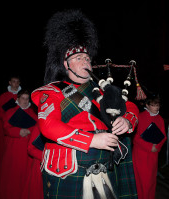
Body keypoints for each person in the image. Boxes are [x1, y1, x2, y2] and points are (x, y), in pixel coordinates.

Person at [31, 9, 139, 198]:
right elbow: (48, 126)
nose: (85, 62)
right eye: (78, 58)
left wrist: (127, 120)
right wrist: (91, 140)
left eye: (87, 58)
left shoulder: (102, 90)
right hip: (69, 168)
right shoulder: (52, 91)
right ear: (66, 64)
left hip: (103, 164)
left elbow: (130, 107)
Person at [0, 89, 39, 199]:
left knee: (24, 176)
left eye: (27, 98)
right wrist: (18, 132)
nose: (24, 101)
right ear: (17, 99)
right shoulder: (10, 112)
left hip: (26, 153)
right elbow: (6, 128)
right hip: (13, 150)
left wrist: (29, 130)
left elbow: (37, 128)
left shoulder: (32, 113)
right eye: (22, 98)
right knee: (11, 176)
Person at [132, 94, 167, 199]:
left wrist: (157, 147)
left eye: (158, 105)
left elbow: (164, 136)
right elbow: (135, 138)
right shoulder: (140, 116)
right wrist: (149, 147)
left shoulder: (160, 119)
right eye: (153, 105)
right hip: (140, 155)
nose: (157, 107)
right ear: (147, 105)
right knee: (140, 181)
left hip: (153, 155)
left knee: (151, 181)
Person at [0, 75, 21, 193]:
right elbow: (0, 113)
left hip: (19, 126)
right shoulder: (4, 96)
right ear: (10, 82)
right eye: (13, 82)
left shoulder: (22, 96)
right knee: (4, 152)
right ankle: (3, 179)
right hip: (5, 127)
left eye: (17, 82)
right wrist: (10, 118)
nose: (15, 84)